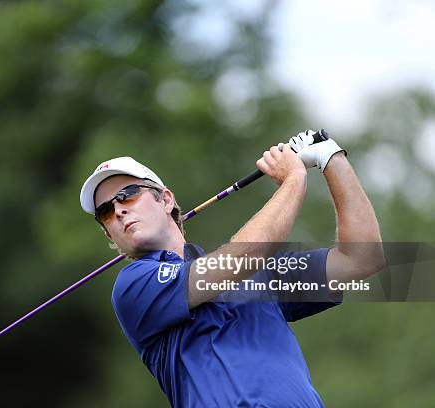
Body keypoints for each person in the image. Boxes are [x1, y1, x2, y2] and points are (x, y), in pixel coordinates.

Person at [79, 131, 384, 407]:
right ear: (108, 233)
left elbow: (361, 260)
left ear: (166, 199)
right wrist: (294, 179)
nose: (118, 209)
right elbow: (242, 256)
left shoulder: (258, 274)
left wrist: (330, 157)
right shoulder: (134, 285)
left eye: (128, 194)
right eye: (105, 212)